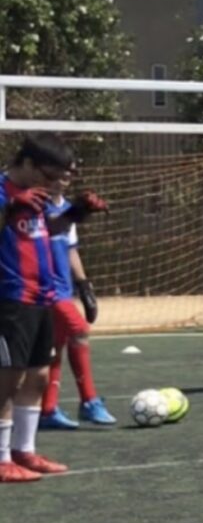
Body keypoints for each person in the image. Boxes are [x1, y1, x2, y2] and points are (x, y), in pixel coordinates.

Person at [0, 134, 106, 481]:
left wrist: (78, 212)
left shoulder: (39, 197)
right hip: (10, 298)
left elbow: (51, 230)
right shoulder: (3, 191)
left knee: (39, 376)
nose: (51, 183)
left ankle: (23, 451)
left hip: (41, 296)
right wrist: (11, 209)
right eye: (47, 175)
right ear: (27, 163)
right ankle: (1, 458)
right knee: (7, 379)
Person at [39, 166, 116, 429]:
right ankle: (89, 401)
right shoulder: (35, 206)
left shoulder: (66, 206)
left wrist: (84, 286)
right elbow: (51, 228)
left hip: (63, 288)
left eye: (69, 173)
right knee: (80, 331)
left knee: (55, 347)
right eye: (59, 171)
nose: (66, 177)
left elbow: (70, 250)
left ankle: (47, 409)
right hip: (43, 288)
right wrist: (76, 213)